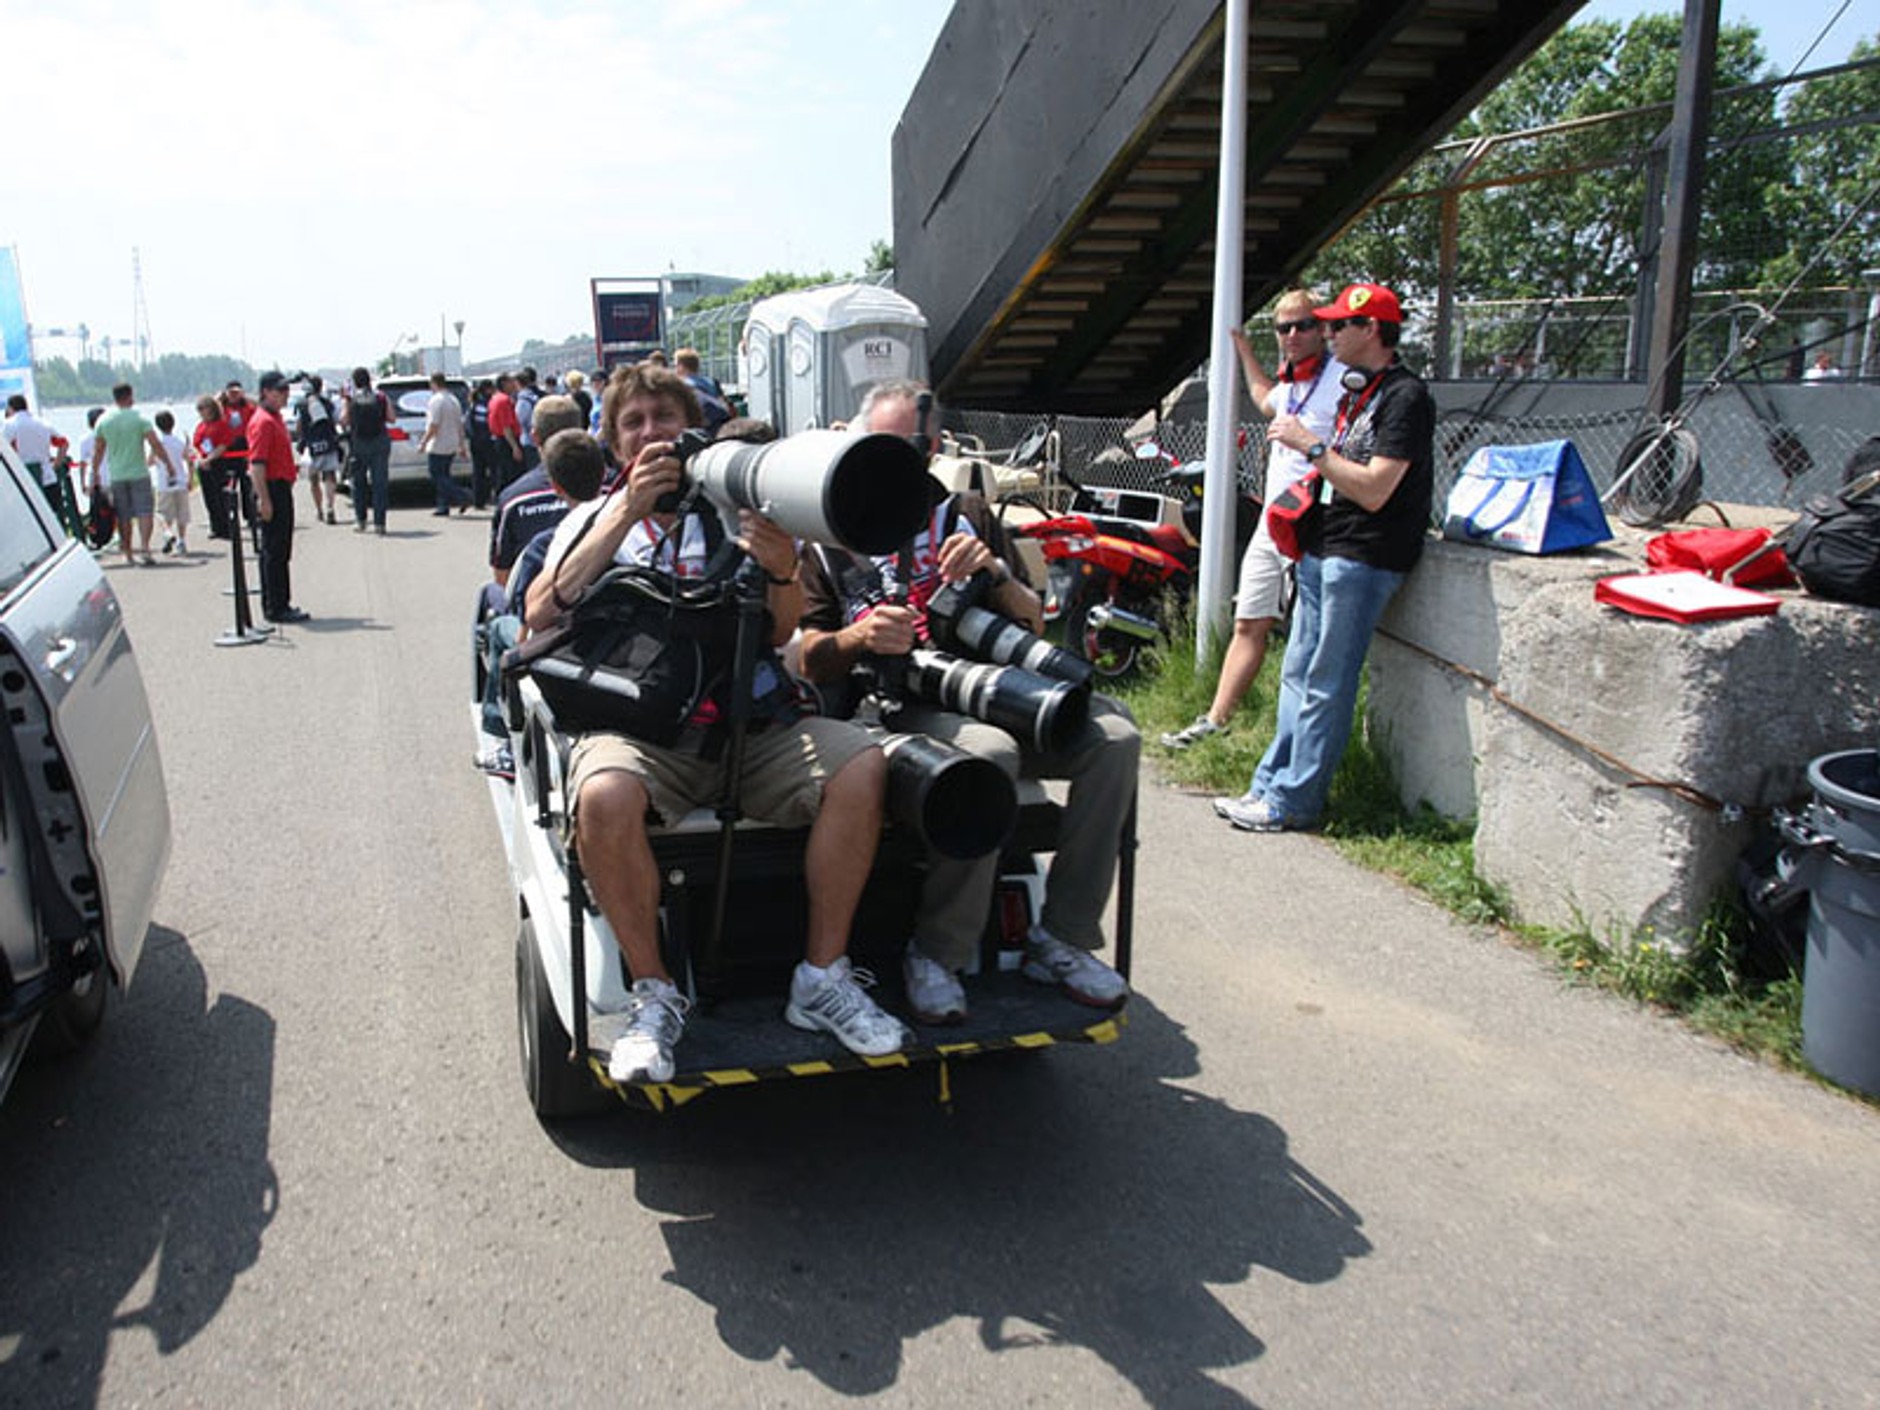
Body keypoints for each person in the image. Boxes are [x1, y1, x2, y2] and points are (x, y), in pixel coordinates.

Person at [521, 363, 904, 1083]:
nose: (651, 433)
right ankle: (655, 994)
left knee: (861, 762)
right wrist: (623, 517)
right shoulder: (592, 517)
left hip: (748, 727)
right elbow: (542, 611)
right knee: (603, 796)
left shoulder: (743, 508)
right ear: (614, 443)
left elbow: (785, 635)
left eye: (664, 417)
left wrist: (784, 569)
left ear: (689, 426)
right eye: (633, 422)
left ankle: (822, 977)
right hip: (638, 734)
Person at [796, 379, 1137, 1023]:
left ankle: (1061, 936)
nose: (902, 459)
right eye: (886, 444)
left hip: (995, 690)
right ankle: (938, 953)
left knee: (1115, 737)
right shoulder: (824, 526)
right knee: (990, 753)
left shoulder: (966, 513)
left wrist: (996, 572)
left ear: (933, 450)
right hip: (895, 707)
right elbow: (807, 655)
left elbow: (1033, 621)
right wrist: (859, 636)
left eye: (916, 446)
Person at [1214, 282, 1434, 833]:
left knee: (1326, 682)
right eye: (1325, 324)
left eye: (1338, 326)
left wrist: (1311, 446)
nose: (1328, 333)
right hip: (1324, 547)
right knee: (1298, 673)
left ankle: (1295, 802)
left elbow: (1377, 488)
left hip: (1364, 556)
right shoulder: (1362, 392)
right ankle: (1269, 787)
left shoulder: (1405, 397)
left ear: (1373, 331)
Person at [1163, 291, 1346, 749]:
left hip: (1316, 521)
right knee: (1249, 619)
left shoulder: (1344, 381)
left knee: (1311, 637)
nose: (1292, 336)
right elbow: (1265, 398)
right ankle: (1216, 719)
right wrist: (1243, 350)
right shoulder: (1292, 386)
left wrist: (1309, 445)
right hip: (1275, 519)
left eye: (1303, 325)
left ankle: (1298, 739)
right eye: (1283, 328)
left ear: (1322, 328)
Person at [474, 425, 606, 778]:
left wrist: (518, 654)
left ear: (557, 487)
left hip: (557, 646)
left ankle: (498, 737)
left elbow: (520, 606)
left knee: (497, 623)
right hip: (609, 645)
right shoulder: (628, 519)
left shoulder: (541, 539)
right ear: (605, 473)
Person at [249, 371, 308, 623]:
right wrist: (264, 499)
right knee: (274, 551)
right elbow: (257, 465)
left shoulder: (274, 418)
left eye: (286, 391)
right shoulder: (263, 422)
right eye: (280, 391)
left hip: (280, 487)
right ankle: (276, 606)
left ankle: (280, 601)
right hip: (271, 488)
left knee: (280, 549)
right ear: (266, 392)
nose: (285, 395)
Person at [89, 383, 168, 566]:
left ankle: (128, 552)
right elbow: (155, 444)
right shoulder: (139, 418)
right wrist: (169, 465)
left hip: (117, 474)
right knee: (144, 512)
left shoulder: (104, 420)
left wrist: (95, 472)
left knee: (123, 515)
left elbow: (98, 450)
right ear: (130, 396)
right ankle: (146, 548)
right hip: (139, 471)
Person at [4, 394, 77, 535]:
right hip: (48, 477)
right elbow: (63, 443)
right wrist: (56, 464)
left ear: (11, 408)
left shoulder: (9, 425)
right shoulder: (42, 423)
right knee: (53, 516)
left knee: (28, 523)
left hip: (23, 481)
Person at [341, 366, 393, 535]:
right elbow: (392, 418)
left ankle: (361, 520)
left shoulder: (351, 399)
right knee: (380, 484)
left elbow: (343, 420)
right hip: (379, 443)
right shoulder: (381, 397)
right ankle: (380, 523)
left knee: (359, 484)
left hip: (359, 444)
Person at [417, 371, 473, 515]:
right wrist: (461, 445)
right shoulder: (453, 400)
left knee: (437, 475)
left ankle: (463, 495)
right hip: (452, 442)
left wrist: (424, 442)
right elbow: (459, 425)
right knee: (445, 474)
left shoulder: (436, 401)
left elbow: (433, 425)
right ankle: (443, 506)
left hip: (439, 443)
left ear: (434, 383)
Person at [294, 375, 343, 524]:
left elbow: (299, 427)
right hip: (328, 442)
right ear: (321, 387)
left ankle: (319, 510)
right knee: (330, 476)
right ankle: (330, 507)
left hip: (311, 446)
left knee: (314, 480)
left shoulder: (302, 404)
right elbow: (336, 420)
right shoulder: (328, 403)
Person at [148, 409, 192, 555]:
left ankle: (167, 533)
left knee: (161, 513)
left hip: (164, 483)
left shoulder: (158, 443)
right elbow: (189, 459)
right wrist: (190, 478)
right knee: (182, 514)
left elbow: (149, 461)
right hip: (180, 481)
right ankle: (182, 541)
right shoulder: (179, 442)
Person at [674, 347, 730, 431]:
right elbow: (724, 405)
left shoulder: (682, 386)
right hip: (718, 426)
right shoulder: (712, 382)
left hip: (697, 428)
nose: (675, 369)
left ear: (681, 366)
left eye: (676, 365)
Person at [486, 371, 523, 492]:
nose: (514, 384)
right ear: (504, 384)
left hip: (498, 440)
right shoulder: (504, 401)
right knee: (510, 474)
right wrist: (515, 447)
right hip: (506, 440)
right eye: (511, 382)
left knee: (501, 472)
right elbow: (506, 427)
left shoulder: (495, 398)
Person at [467, 379, 497, 509]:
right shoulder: (488, 403)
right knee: (494, 471)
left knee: (478, 472)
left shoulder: (473, 404)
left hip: (475, 442)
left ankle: (478, 501)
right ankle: (494, 496)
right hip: (488, 441)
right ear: (488, 389)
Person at [513, 366, 543, 472]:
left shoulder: (523, 400)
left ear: (518, 383)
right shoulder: (534, 397)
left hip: (527, 440)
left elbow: (519, 420)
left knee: (531, 469)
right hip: (537, 438)